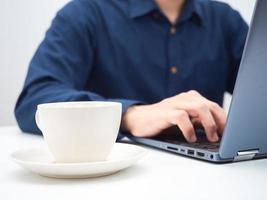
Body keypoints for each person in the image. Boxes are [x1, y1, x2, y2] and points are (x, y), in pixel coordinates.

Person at [15, 0, 248, 143]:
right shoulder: (85, 13)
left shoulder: (225, 20)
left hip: (211, 177)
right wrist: (128, 115)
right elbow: (34, 100)